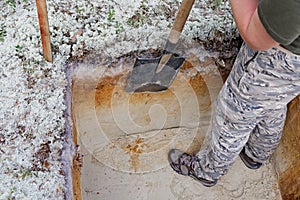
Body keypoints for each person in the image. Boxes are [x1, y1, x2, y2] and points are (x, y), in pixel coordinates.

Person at [168, 0, 300, 187]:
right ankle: (256, 155)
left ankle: (207, 171)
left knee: (233, 117)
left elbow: (255, 37)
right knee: (274, 104)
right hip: (294, 69)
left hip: (275, 60)